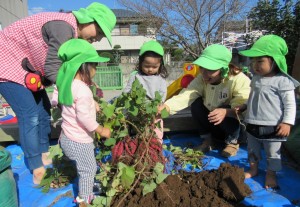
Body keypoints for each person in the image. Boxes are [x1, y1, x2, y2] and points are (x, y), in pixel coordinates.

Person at [0, 2, 116, 184]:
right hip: (6, 64)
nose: (99, 39)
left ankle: (44, 153)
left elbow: (59, 70)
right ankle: (36, 166)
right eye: (99, 32)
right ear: (89, 20)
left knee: (43, 110)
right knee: (29, 115)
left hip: (27, 70)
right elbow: (54, 70)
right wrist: (81, 94)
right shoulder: (63, 28)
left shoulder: (70, 31)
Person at [158, 44, 251, 157]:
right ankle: (208, 140)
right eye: (202, 68)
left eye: (209, 70)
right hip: (214, 124)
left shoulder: (238, 79)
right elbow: (187, 94)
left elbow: (242, 105)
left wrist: (227, 112)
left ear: (223, 69)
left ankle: (232, 142)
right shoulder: (201, 79)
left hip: (234, 127)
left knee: (227, 109)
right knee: (196, 103)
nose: (204, 73)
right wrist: (167, 107)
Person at [238, 35, 300, 189]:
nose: (255, 65)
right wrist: (245, 106)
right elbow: (252, 96)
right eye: (253, 61)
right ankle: (253, 169)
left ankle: (271, 174)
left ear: (274, 61)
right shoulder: (256, 79)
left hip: (273, 125)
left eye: (260, 61)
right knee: (252, 150)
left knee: (273, 153)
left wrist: (287, 122)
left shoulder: (283, 81)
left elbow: (290, 104)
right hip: (252, 122)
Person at [55, 39, 111, 204]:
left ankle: (86, 188)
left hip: (66, 137)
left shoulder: (67, 84)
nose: (95, 70)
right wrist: (102, 130)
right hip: (80, 141)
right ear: (84, 66)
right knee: (89, 169)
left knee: (84, 166)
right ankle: (84, 198)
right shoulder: (84, 90)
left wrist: (93, 103)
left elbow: (71, 102)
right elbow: (84, 118)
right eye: (94, 66)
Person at [123, 40, 168, 142]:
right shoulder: (135, 76)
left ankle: (157, 147)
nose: (150, 69)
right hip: (139, 110)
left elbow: (162, 93)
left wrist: (159, 106)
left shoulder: (160, 78)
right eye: (147, 66)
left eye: (154, 67)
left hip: (155, 110)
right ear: (140, 63)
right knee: (140, 132)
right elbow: (128, 90)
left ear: (160, 65)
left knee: (157, 131)